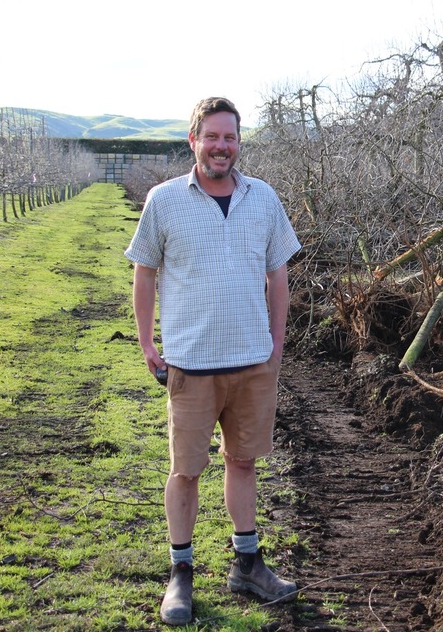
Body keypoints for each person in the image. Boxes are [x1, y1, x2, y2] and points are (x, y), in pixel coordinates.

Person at [125, 96, 302, 626]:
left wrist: (276, 344)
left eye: (230, 137)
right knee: (186, 470)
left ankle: (247, 564)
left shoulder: (263, 198)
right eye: (212, 136)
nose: (221, 146)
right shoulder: (163, 201)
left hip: (252, 362)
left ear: (238, 143)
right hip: (192, 363)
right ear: (193, 140)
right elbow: (144, 272)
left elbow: (278, 274)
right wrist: (147, 344)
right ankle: (180, 575)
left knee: (243, 461)